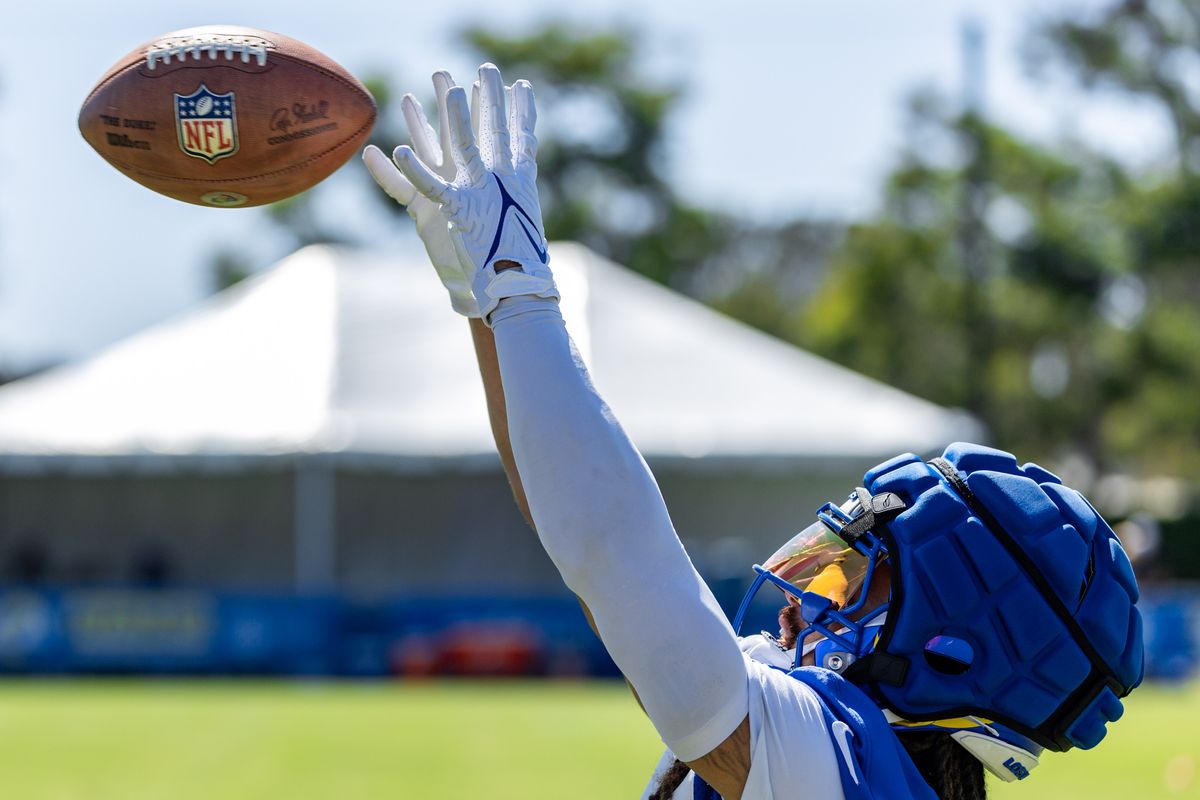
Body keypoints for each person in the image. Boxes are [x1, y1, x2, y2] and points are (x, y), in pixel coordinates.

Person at [364, 64, 1144, 800]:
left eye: (854, 575)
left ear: (953, 643)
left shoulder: (852, 773)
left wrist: (517, 286)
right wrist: (486, 305)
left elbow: (616, 560)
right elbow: (574, 520)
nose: (809, 594)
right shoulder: (856, 756)